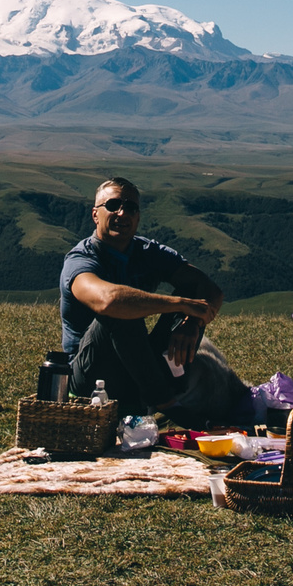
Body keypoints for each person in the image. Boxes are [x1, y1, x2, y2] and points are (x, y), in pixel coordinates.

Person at [59, 177, 229, 418]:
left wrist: (192, 322)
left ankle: (164, 391)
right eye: (113, 205)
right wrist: (180, 305)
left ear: (138, 217)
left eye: (130, 207)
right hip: (91, 378)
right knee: (122, 308)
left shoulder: (148, 252)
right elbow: (107, 301)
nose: (122, 213)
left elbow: (211, 290)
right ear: (95, 214)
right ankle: (168, 408)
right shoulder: (81, 259)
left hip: (136, 366)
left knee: (189, 292)